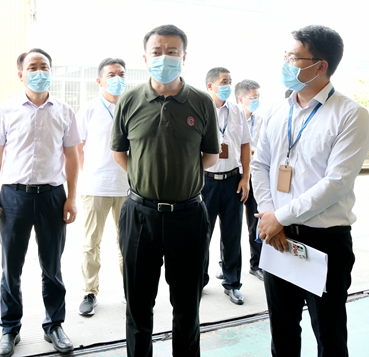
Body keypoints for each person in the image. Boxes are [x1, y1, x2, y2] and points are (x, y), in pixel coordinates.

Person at [252, 25, 369, 356]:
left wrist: (280, 216)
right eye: (285, 56)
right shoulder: (276, 109)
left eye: (293, 57)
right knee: (282, 330)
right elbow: (260, 165)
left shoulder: (350, 114)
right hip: (278, 237)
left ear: (320, 65)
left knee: (329, 335)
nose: (286, 63)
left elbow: (336, 183)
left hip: (324, 241)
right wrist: (271, 215)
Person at [111, 24, 220, 357]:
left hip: (188, 216)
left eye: (172, 52)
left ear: (184, 57)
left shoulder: (201, 102)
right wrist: (146, 178)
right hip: (139, 216)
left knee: (187, 307)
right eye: (157, 52)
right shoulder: (129, 100)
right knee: (138, 306)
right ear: (145, 58)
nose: (164, 58)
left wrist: (180, 176)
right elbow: (119, 152)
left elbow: (211, 156)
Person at [0, 48, 80, 357]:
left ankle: (54, 325)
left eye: (45, 67)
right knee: (11, 267)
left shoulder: (64, 111)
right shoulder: (5, 110)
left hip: (52, 196)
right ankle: (9, 328)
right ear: (21, 74)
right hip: (14, 197)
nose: (39, 72)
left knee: (52, 266)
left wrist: (72, 197)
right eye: (33, 67)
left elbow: (72, 156)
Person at [76, 57, 129, 316]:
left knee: (127, 243)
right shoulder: (89, 109)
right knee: (91, 243)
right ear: (100, 80)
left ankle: (131, 290)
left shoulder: (132, 107)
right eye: (111, 74)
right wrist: (88, 173)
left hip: (127, 188)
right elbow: (77, 146)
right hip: (95, 187)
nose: (117, 78)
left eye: (121, 74)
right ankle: (90, 291)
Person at [202, 68, 251, 305]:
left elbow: (245, 145)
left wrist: (245, 178)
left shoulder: (238, 111)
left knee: (232, 236)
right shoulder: (201, 109)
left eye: (230, 81)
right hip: (206, 182)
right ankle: (199, 281)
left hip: (233, 181)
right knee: (202, 235)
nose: (228, 86)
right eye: (224, 82)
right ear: (210, 86)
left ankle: (232, 284)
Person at [235, 79, 264, 281]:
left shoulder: (262, 120)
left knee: (255, 222)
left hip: (256, 176)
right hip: (236, 175)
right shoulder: (231, 117)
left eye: (258, 97)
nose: (256, 101)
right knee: (231, 224)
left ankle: (256, 264)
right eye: (253, 97)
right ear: (241, 98)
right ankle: (225, 264)